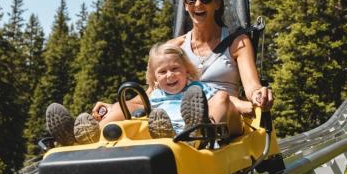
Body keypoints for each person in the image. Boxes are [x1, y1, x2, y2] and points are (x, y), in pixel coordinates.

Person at [90, 0, 273, 124]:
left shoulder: (237, 42)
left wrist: (259, 96)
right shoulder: (173, 47)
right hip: (174, 111)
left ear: (217, 3)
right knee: (123, 110)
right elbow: (153, 93)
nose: (198, 4)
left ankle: (196, 139)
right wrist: (116, 106)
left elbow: (252, 87)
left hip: (226, 114)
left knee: (221, 99)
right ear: (185, 5)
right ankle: (88, 139)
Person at [45, 42, 242, 146]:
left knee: (221, 98)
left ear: (187, 71)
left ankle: (198, 133)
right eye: (163, 72)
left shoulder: (197, 88)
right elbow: (131, 106)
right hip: (160, 131)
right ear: (155, 78)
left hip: (193, 133)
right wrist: (110, 109)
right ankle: (82, 137)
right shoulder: (155, 95)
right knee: (128, 106)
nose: (170, 75)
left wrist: (251, 105)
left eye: (175, 69)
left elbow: (226, 100)